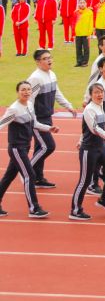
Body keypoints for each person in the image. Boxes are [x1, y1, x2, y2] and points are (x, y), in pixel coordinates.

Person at [0, 80, 55, 218]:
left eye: (28, 90)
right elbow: (1, 124)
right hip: (17, 148)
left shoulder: (30, 104)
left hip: (25, 147)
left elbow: (35, 123)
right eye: (23, 90)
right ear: (17, 92)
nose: (26, 92)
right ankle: (34, 208)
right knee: (30, 175)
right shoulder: (14, 109)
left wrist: (49, 128)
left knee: (8, 176)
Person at [69, 83, 105, 220]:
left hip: (101, 147)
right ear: (91, 95)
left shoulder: (100, 107)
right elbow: (95, 129)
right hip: (89, 150)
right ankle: (75, 210)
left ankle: (103, 199)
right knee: (85, 180)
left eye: (101, 92)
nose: (99, 95)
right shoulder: (89, 110)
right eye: (96, 92)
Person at [27, 49, 77, 189]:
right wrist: (33, 120)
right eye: (45, 58)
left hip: (47, 116)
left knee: (40, 147)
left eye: (50, 57)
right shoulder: (35, 78)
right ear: (38, 62)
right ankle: (27, 170)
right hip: (37, 119)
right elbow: (29, 99)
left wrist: (68, 106)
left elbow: (57, 93)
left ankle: (37, 178)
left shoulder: (51, 74)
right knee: (48, 146)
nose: (49, 60)